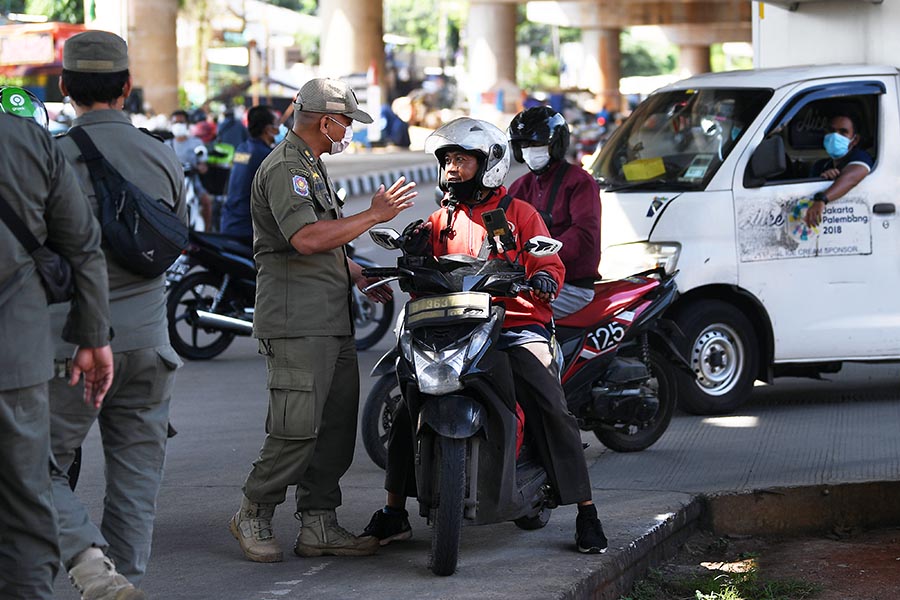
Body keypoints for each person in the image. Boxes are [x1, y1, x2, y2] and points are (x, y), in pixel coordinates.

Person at [362, 117, 609, 555]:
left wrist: (545, 278)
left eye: (462, 160)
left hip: (515, 324)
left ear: (490, 163)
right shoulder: (440, 220)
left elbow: (548, 262)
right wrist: (411, 256)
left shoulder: (518, 214)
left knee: (549, 402)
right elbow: (423, 275)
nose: (453, 168)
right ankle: (394, 511)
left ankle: (587, 511)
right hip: (454, 324)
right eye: (448, 160)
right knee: (407, 404)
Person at [229, 78, 417, 563]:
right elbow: (307, 239)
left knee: (333, 430)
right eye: (346, 122)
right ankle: (253, 511)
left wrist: (355, 272)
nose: (349, 130)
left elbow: (324, 246)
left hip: (330, 317)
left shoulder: (312, 165)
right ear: (325, 120)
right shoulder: (285, 168)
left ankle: (318, 524)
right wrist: (373, 215)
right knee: (295, 429)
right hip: (296, 321)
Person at [48, 30, 187, 599]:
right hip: (150, 345)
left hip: (71, 347)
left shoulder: (48, 156)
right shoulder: (162, 154)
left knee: (31, 466)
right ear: (126, 87)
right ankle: (122, 582)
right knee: (135, 479)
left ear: (64, 88)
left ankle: (89, 566)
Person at [0, 90, 113, 600]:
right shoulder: (28, 142)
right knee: (26, 511)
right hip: (14, 360)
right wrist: (92, 338)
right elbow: (83, 244)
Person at [508, 106, 602, 317]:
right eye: (524, 145)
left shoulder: (580, 182)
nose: (529, 150)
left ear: (555, 145)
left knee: (513, 316)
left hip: (570, 286)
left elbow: (584, 235)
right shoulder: (519, 186)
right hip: (528, 281)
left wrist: (542, 260)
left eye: (536, 144)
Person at [219, 105, 278, 244]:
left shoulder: (243, 149)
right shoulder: (265, 156)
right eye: (277, 124)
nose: (280, 128)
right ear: (268, 129)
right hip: (248, 230)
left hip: (230, 224)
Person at [804, 111, 874, 228]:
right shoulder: (820, 165)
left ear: (855, 140)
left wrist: (822, 199)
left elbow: (851, 178)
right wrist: (823, 179)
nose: (835, 136)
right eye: (832, 131)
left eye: (843, 132)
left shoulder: (860, 157)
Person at [169, 108, 213, 230]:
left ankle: (207, 233)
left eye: (181, 122)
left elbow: (203, 165)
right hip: (173, 184)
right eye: (175, 122)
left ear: (187, 124)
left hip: (193, 182)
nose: (178, 125)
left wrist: (200, 167)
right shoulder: (166, 145)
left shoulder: (196, 142)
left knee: (207, 202)